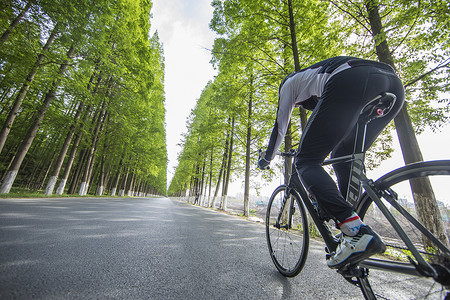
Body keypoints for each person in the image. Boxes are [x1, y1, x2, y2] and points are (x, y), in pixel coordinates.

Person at [257, 56, 405, 269]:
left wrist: (267, 158)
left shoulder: (289, 83)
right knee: (344, 156)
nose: (299, 105)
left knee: (305, 160)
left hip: (352, 78)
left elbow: (281, 126)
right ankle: (354, 230)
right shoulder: (316, 78)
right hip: (393, 85)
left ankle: (355, 230)